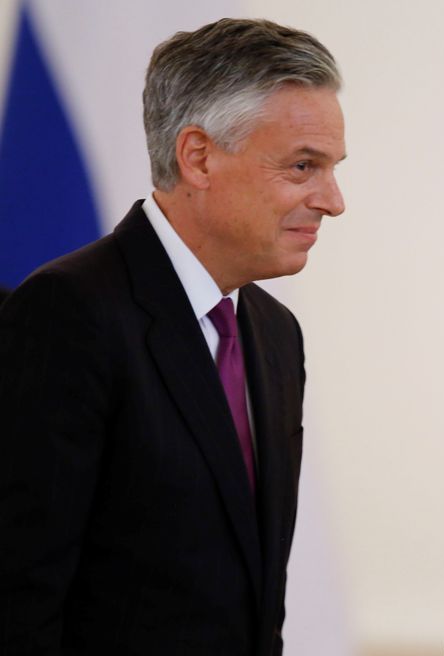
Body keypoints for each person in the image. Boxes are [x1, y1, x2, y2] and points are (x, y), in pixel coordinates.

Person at [0, 18, 345, 655]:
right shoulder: (69, 311)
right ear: (199, 156)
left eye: (330, 168)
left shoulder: (275, 332)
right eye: (304, 167)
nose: (333, 199)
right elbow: (20, 594)